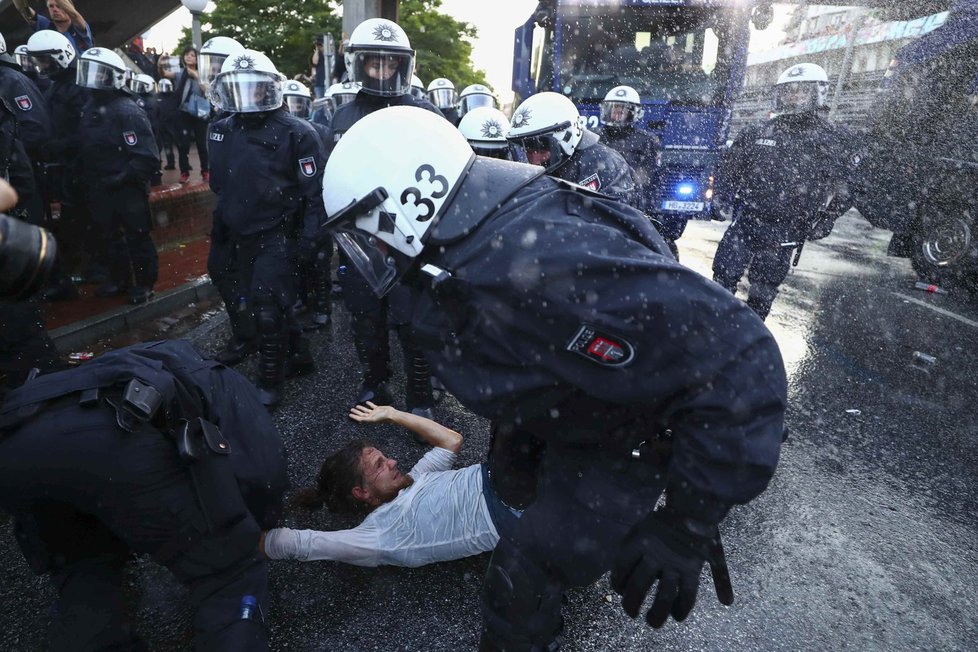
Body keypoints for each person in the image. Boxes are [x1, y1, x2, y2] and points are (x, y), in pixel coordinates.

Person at [319, 106, 787, 651]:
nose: (371, 247)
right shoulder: (485, 234)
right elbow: (539, 357)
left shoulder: (543, 258)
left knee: (521, 578)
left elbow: (739, 356)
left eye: (368, 229)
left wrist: (689, 522)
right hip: (584, 416)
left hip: (625, 439)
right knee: (522, 562)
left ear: (406, 201)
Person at [0, 339, 289, 650]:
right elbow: (264, 468)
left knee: (86, 567)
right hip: (109, 440)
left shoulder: (124, 363)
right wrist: (255, 528)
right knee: (230, 574)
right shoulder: (220, 377)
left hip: (14, 452)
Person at [324, 18, 442, 416]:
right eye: (374, 63)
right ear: (359, 65)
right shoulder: (341, 117)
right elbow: (331, 178)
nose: (382, 70)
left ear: (402, 65)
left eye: (391, 63)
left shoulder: (424, 112)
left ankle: (421, 394)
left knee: (413, 321)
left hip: (411, 234)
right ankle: (376, 381)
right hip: (359, 235)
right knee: (365, 319)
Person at [263, 401, 521, 567]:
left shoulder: (413, 480)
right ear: (361, 492)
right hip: (509, 510)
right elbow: (300, 543)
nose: (393, 462)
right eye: (379, 465)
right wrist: (235, 538)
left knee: (521, 408)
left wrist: (394, 414)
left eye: (385, 458)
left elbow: (451, 441)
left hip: (503, 474)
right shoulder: (378, 535)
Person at [208, 49, 325, 408]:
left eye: (255, 87)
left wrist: (308, 241)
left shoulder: (297, 132)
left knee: (267, 306)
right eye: (239, 88)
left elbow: (314, 194)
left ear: (269, 89)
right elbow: (219, 183)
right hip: (234, 228)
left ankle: (269, 381)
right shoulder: (219, 129)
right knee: (247, 293)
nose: (249, 95)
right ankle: (300, 356)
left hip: (278, 230)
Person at [712, 63, 856, 320]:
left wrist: (828, 217)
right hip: (747, 219)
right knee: (722, 276)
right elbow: (729, 168)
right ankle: (714, 330)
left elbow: (850, 184)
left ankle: (749, 340)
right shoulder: (757, 131)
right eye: (788, 91)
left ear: (817, 93)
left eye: (800, 91)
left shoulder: (831, 139)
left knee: (762, 290)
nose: (793, 96)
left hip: (786, 227)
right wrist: (720, 197)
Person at [76, 47, 160, 305]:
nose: (93, 79)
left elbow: (146, 157)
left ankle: (144, 285)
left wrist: (120, 178)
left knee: (137, 236)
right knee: (110, 236)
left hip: (127, 187)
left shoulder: (127, 110)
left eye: (99, 74)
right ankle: (120, 280)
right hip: (99, 185)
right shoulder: (91, 105)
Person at [25, 28, 88, 300]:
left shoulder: (77, 84)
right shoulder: (57, 84)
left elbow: (83, 129)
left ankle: (88, 271)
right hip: (64, 165)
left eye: (45, 60)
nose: (42, 67)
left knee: (82, 221)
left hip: (79, 165)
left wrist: (58, 146)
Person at [507, 91, 636, 201]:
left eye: (540, 147)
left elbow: (613, 222)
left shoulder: (606, 166)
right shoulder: (525, 167)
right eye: (526, 149)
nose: (534, 160)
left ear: (567, 136)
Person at [283, 79, 333, 333]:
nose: (293, 109)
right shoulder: (279, 131)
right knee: (297, 259)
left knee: (319, 259)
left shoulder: (319, 130)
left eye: (298, 104)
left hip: (314, 199)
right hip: (292, 204)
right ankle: (304, 298)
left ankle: (324, 307)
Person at [595, 85, 669, 252]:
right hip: (599, 200)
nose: (617, 114)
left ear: (633, 113)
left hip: (631, 204)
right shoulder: (594, 136)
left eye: (622, 110)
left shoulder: (646, 141)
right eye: (613, 109)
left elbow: (651, 179)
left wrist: (646, 209)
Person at [161, 46, 210, 183]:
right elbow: (164, 73)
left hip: (200, 113)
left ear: (197, 59)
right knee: (183, 144)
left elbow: (207, 91)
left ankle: (205, 171)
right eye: (187, 55)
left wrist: (195, 75)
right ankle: (184, 172)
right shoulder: (179, 72)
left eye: (192, 55)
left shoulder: (203, 73)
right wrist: (160, 63)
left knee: (201, 144)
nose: (189, 57)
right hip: (183, 112)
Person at [13, 0, 93, 53]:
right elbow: (23, 9)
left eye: (59, 6)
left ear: (68, 8)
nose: (55, 10)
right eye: (51, 6)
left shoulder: (79, 27)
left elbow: (74, 15)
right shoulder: (45, 27)